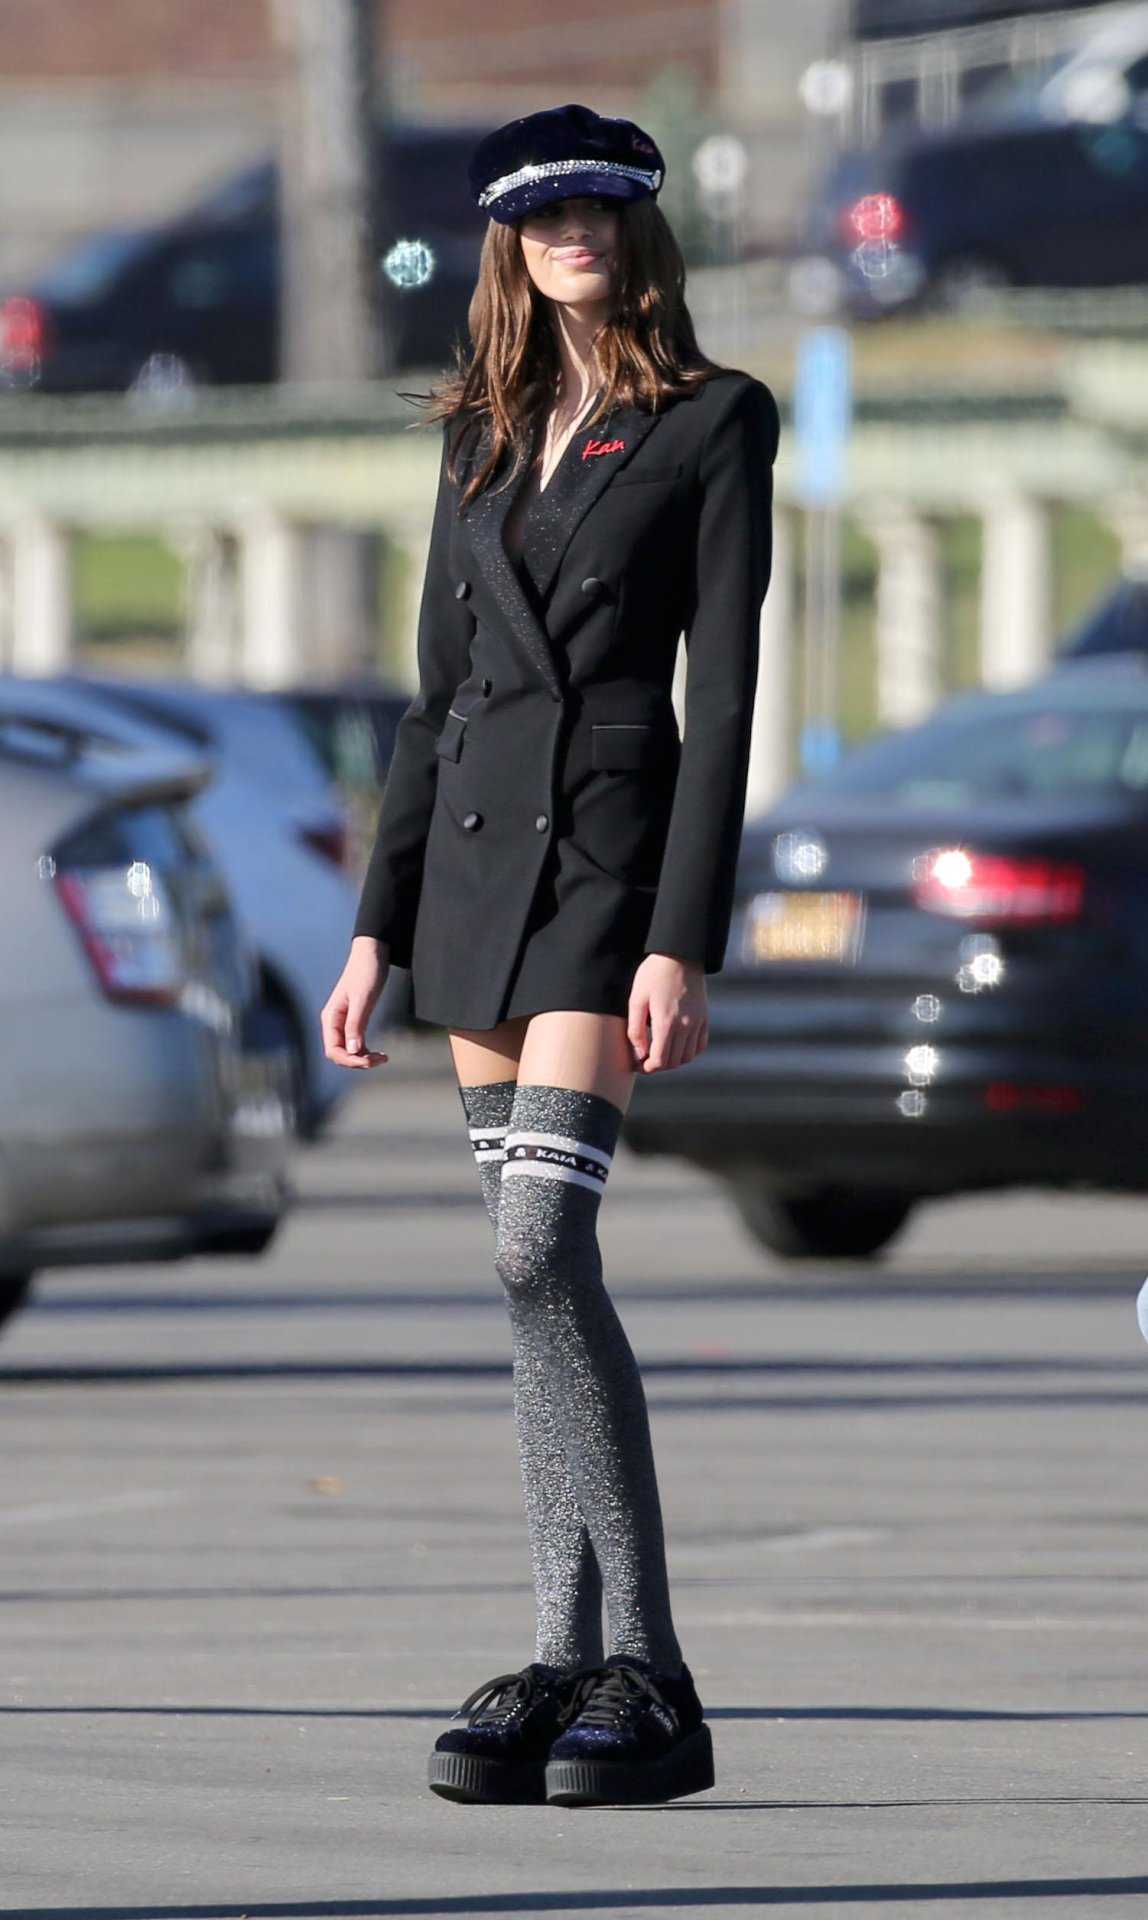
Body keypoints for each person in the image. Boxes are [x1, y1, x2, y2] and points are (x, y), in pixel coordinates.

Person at [320, 101, 780, 1808]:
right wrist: (374, 927)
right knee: (535, 1290)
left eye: (600, 208)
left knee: (538, 1250)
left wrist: (682, 937)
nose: (575, 233)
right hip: (466, 882)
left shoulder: (715, 418)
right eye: (545, 215)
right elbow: (434, 704)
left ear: (638, 228)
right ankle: (559, 1655)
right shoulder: (475, 432)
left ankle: (650, 1668)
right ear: (507, 245)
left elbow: (723, 697)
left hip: (600, 871)